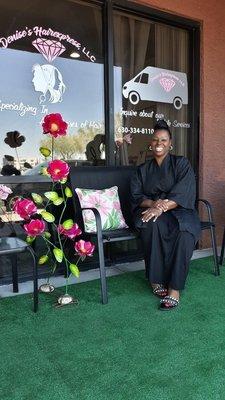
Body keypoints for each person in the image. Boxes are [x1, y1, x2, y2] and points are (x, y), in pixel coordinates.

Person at [130, 120, 201, 311]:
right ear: (150, 143)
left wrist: (161, 207)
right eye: (155, 140)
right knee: (151, 224)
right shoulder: (142, 170)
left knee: (185, 233)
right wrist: (154, 204)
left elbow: (184, 192)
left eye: (163, 139)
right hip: (151, 209)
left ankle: (175, 289)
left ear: (171, 143)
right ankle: (156, 280)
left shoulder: (181, 163)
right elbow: (137, 197)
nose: (159, 143)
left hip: (179, 209)